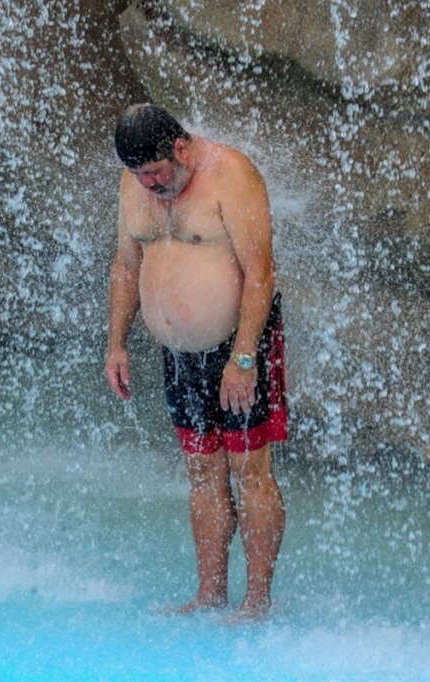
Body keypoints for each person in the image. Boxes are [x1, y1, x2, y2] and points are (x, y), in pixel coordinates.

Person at [105, 104, 288, 621]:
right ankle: (209, 593)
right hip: (180, 355)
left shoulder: (232, 174)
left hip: (240, 346)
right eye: (141, 177)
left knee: (248, 469)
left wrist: (245, 358)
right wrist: (116, 342)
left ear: (181, 149)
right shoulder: (135, 182)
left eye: (158, 174)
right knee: (202, 470)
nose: (151, 187)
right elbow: (125, 265)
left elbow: (261, 274)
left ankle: (256, 601)